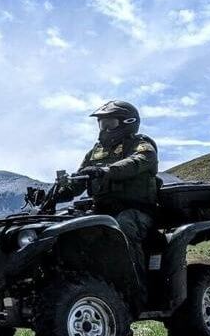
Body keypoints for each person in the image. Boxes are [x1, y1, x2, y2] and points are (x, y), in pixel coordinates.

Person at [57, 100, 159, 298]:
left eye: (109, 123)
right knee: (69, 230)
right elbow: (79, 179)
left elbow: (134, 163)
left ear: (127, 122)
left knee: (123, 227)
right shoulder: (94, 152)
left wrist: (104, 171)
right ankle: (79, 287)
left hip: (137, 211)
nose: (104, 128)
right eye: (101, 124)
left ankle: (137, 291)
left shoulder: (142, 146)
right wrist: (61, 191)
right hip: (102, 210)